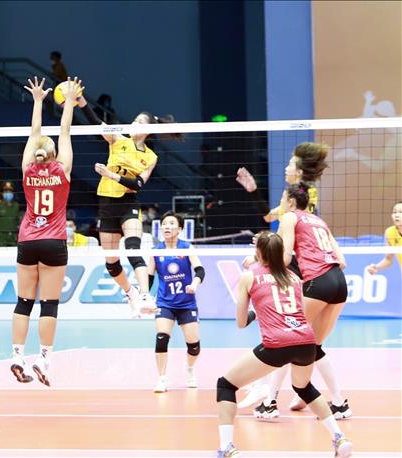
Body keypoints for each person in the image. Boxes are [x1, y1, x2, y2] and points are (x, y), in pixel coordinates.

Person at [215, 231, 352, 458]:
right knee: (303, 387)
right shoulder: (295, 279)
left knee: (225, 385)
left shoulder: (249, 276)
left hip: (277, 343)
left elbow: (240, 323)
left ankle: (227, 449)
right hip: (306, 341)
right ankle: (340, 438)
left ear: (258, 253)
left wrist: (253, 313)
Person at [235, 142, 329, 411]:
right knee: (304, 340)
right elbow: (267, 217)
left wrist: (259, 254)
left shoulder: (305, 196)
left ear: (299, 171)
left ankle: (268, 392)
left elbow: (293, 235)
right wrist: (253, 191)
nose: (286, 167)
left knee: (287, 335)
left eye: (290, 163)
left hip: (300, 270)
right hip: (295, 269)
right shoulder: (289, 196)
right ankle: (307, 394)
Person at [10, 76, 80, 387]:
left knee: (23, 302)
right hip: (54, 241)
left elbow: (34, 133)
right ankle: (44, 359)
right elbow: (64, 131)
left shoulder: (27, 170)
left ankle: (16, 356)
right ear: (53, 154)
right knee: (49, 304)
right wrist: (69, 102)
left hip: (28, 239)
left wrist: (38, 100)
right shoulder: (62, 170)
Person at [88, 107, 176, 316]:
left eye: (139, 122)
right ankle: (130, 292)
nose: (134, 123)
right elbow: (95, 121)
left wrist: (111, 175)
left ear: (148, 130)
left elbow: (137, 183)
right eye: (134, 120)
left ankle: (146, 295)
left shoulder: (151, 157)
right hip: (107, 205)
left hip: (129, 203)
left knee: (133, 247)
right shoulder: (117, 139)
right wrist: (81, 101)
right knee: (111, 262)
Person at [148, 212, 204, 392]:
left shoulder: (186, 247)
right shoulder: (156, 251)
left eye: (171, 224)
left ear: (179, 229)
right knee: (161, 337)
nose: (166, 226)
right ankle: (162, 379)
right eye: (164, 224)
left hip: (186, 303)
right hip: (164, 302)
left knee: (193, 345)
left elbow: (200, 270)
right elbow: (149, 277)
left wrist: (195, 283)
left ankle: (189, 370)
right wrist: (144, 296)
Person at [368, 201, 402, 274]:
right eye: (394, 212)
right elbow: (388, 260)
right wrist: (376, 267)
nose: (397, 215)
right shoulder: (390, 233)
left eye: (400, 212)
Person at [0, 181, 20, 247]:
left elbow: (18, 220)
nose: (8, 193)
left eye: (10, 191)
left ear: (13, 193)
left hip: (13, 235)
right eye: (6, 191)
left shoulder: (16, 205)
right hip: (0, 235)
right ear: (2, 193)